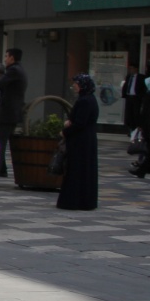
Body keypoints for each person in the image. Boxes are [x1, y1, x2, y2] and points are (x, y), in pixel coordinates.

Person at [57, 74, 99, 211]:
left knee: (77, 170)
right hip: (86, 140)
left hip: (80, 141)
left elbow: (80, 123)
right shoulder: (89, 99)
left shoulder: (84, 101)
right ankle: (85, 200)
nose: (74, 86)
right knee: (85, 170)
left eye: (76, 83)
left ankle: (74, 201)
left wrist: (65, 131)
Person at [0, 48, 27, 177]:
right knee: (0, 141)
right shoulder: (18, 70)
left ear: (12, 58)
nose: (5, 59)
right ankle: (2, 170)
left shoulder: (14, 71)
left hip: (8, 114)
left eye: (6, 56)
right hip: (10, 113)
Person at [122, 61, 148, 132]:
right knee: (129, 113)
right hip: (129, 97)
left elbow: (143, 88)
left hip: (136, 97)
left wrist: (141, 96)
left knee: (136, 113)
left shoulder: (141, 77)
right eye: (129, 69)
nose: (130, 70)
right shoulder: (128, 77)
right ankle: (130, 128)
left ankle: (136, 128)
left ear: (136, 69)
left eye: (131, 68)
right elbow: (125, 86)